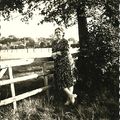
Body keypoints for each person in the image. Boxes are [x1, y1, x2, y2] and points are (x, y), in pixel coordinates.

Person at [52, 27, 77, 105]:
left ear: (62, 33)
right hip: (57, 64)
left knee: (68, 80)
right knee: (60, 81)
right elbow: (53, 54)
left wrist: (57, 53)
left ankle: (68, 100)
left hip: (65, 63)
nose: (58, 33)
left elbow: (65, 52)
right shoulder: (54, 42)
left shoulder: (65, 41)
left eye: (59, 32)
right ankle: (71, 95)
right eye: (56, 32)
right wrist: (56, 53)